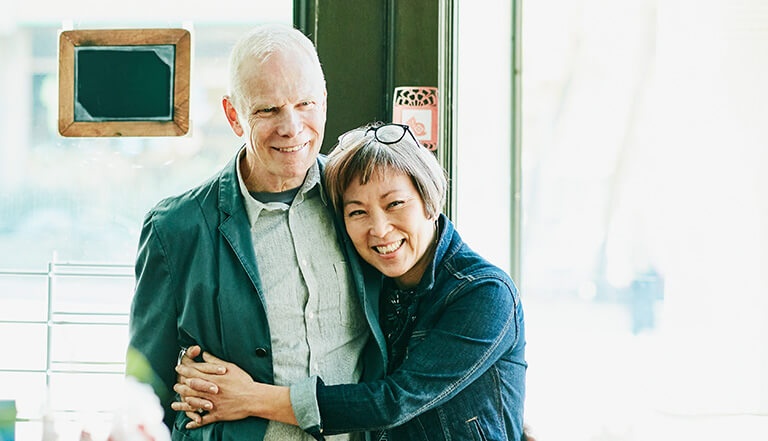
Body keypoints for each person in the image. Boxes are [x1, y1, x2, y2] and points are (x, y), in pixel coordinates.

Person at [172, 122, 528, 440]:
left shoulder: (485, 293)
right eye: (357, 211)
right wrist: (202, 374)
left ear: (430, 202)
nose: (379, 229)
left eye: (395, 204)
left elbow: (393, 402)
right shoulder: (373, 282)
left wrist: (250, 398)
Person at [125, 24, 386, 441]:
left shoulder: (362, 202)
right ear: (233, 116)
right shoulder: (175, 229)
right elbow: (144, 388)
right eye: (268, 110)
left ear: (324, 101)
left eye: (306, 104)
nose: (292, 127)